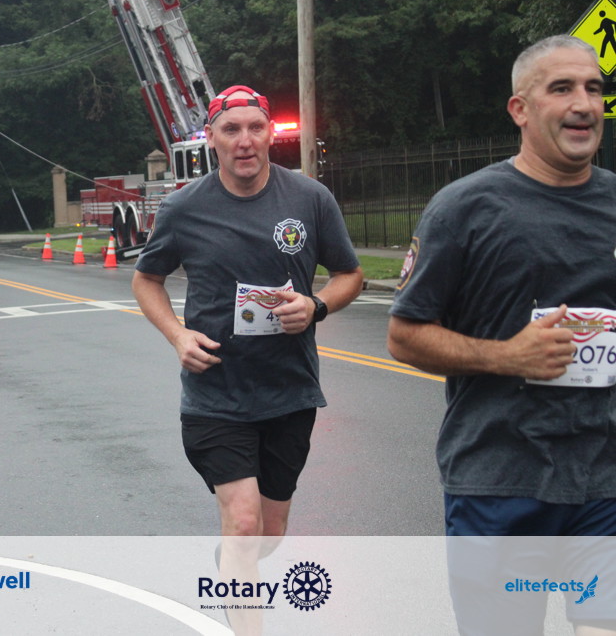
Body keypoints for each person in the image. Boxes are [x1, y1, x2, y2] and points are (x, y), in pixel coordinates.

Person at [387, 35, 616, 633]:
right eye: (562, 88)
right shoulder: (465, 209)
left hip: (605, 482)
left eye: (594, 89)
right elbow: (405, 335)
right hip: (500, 482)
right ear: (520, 108)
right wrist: (508, 356)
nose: (584, 104)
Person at [133, 86, 361, 533]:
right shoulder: (183, 208)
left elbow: (350, 275)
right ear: (210, 137)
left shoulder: (310, 198)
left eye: (256, 128)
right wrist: (178, 335)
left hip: (289, 391)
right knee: (242, 522)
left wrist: (315, 305)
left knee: (270, 532)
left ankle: (240, 571)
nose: (245, 141)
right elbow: (146, 279)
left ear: (270, 133)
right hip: (215, 394)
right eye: (231, 129)